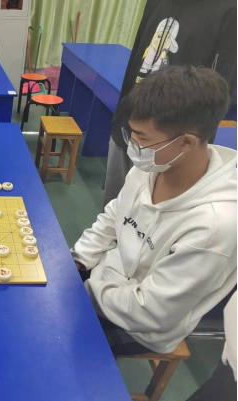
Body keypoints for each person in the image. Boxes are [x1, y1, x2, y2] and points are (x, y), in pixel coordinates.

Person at [72, 66, 237, 355]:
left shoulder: (214, 225)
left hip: (140, 327)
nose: (133, 145)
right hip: (104, 282)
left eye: (143, 138)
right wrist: (79, 260)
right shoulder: (156, 163)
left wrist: (82, 291)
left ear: (186, 142)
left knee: (54, 343)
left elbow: (151, 312)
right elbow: (115, 214)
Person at [104, 0, 237, 207]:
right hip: (129, 124)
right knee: (115, 206)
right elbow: (137, 57)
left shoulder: (229, 10)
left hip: (171, 141)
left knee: (154, 214)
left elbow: (219, 88)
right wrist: (122, 114)